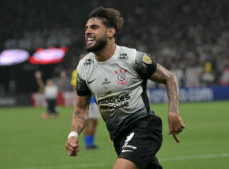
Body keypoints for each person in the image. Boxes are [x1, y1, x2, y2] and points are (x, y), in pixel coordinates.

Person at [65, 7, 185, 169]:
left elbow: (169, 78)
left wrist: (173, 112)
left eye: (94, 27)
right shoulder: (83, 67)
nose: (87, 32)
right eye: (86, 28)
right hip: (119, 137)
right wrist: (73, 135)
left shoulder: (133, 59)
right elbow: (81, 108)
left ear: (110, 32)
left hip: (144, 127)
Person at [71, 55, 100, 149]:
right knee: (87, 122)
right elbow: (75, 87)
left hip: (94, 100)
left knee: (95, 121)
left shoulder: (93, 70)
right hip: (86, 100)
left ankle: (90, 143)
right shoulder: (77, 72)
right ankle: (88, 144)